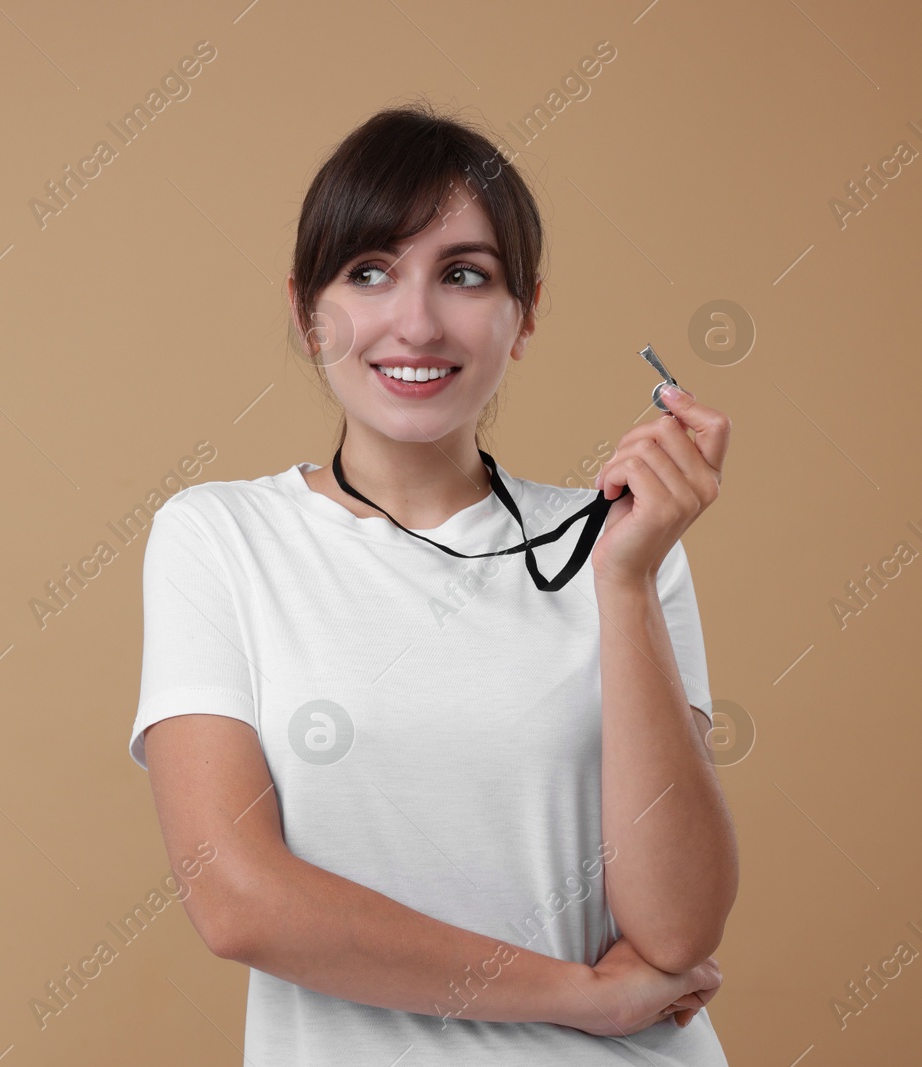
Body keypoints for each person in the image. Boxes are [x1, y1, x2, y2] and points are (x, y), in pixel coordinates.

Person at [129, 100, 738, 1064]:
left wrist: (623, 583)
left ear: (525, 313)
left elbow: (676, 929)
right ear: (305, 308)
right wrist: (579, 996)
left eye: (464, 275)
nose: (415, 322)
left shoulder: (626, 543)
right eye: (370, 272)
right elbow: (238, 899)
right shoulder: (219, 539)